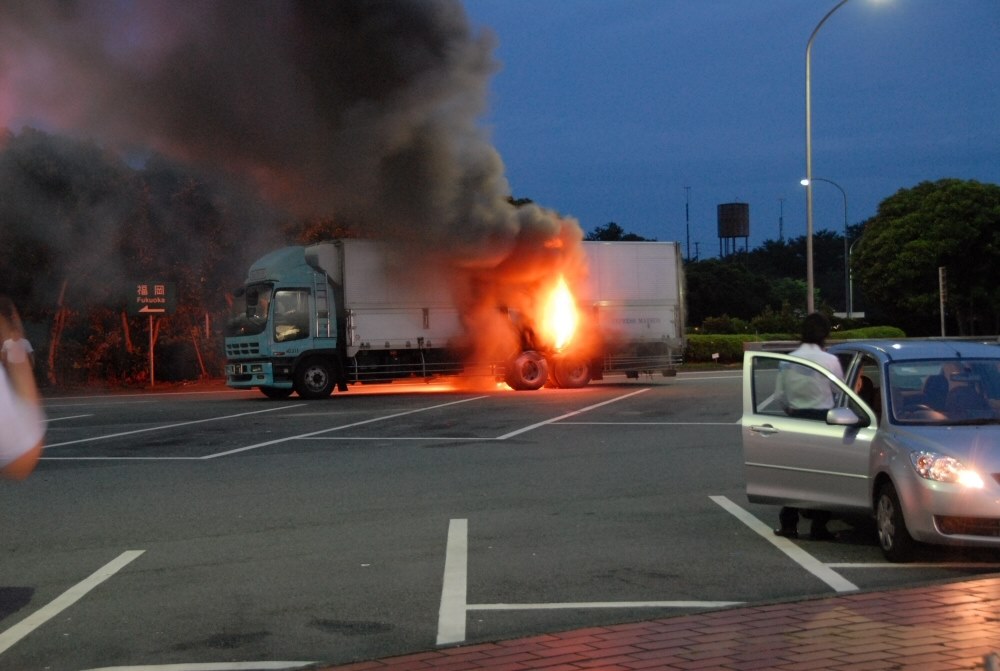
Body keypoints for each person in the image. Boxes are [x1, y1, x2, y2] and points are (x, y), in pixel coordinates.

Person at [773, 312, 845, 540]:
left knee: (794, 473)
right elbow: (839, 391)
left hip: (796, 420)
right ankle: (819, 525)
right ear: (825, 334)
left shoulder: (789, 360)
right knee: (823, 473)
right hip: (824, 421)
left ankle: (789, 523)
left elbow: (779, 396)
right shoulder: (830, 360)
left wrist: (792, 408)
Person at [0, 296, 45, 480]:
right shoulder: (8, 343)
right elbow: (22, 460)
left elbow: (30, 355)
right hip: (15, 374)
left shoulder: (22, 344)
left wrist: (28, 367)